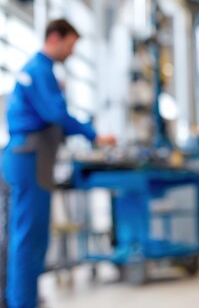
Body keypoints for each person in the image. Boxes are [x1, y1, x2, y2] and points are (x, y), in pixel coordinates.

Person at [1, 19, 115, 308]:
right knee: (29, 235)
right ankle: (21, 302)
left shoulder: (38, 70)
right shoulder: (40, 69)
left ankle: (22, 298)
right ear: (55, 37)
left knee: (28, 233)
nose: (72, 52)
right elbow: (56, 113)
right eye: (71, 45)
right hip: (31, 158)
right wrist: (94, 135)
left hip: (27, 157)